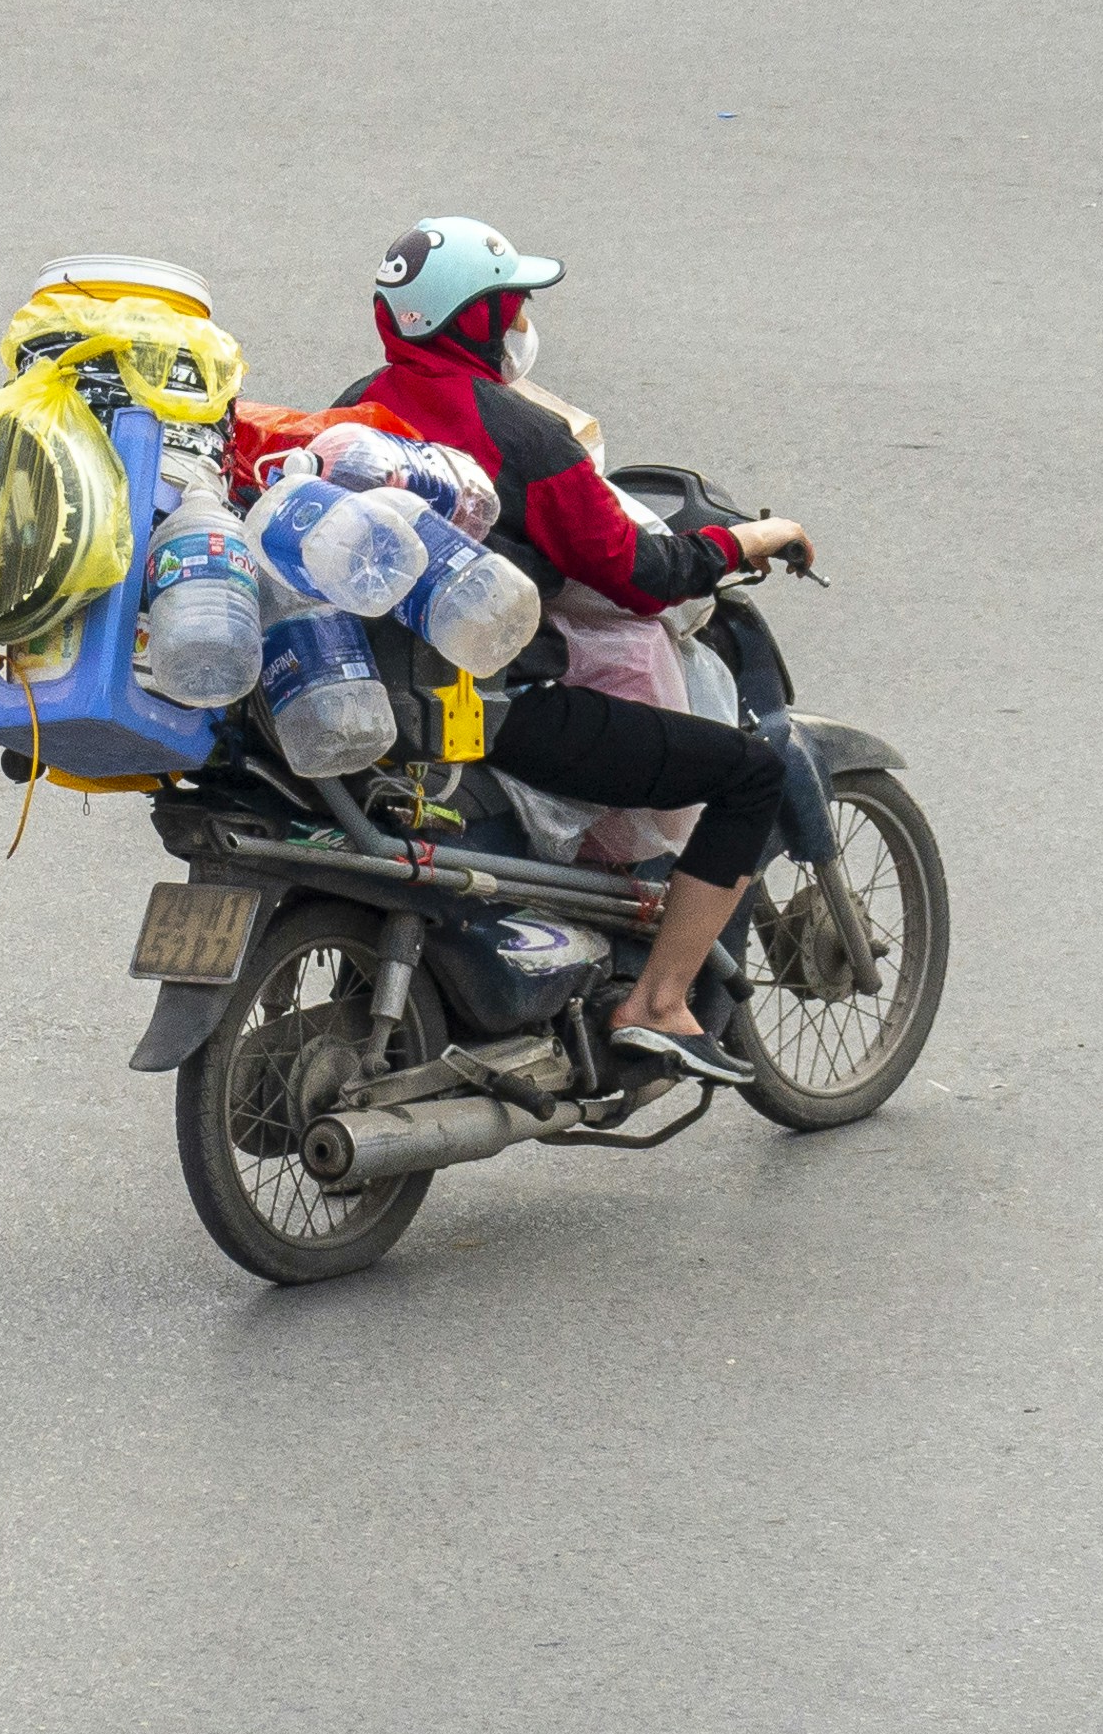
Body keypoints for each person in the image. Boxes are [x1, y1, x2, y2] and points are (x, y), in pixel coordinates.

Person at [336, 217, 815, 1085]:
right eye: (513, 305)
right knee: (750, 773)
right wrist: (746, 540)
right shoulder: (521, 435)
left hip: (363, 696)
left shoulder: (351, 412)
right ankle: (658, 1003)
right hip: (491, 713)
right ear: (480, 319)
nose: (522, 322)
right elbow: (641, 574)